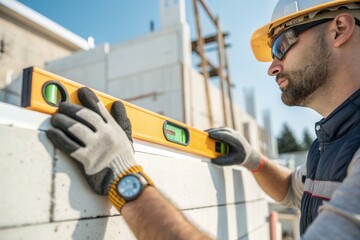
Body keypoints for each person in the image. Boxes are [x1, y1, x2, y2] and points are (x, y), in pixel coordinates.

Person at [46, 0, 360, 239]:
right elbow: (293, 191)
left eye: (281, 45)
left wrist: (123, 178)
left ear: (339, 29)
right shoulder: (331, 143)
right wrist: (254, 160)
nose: (273, 67)